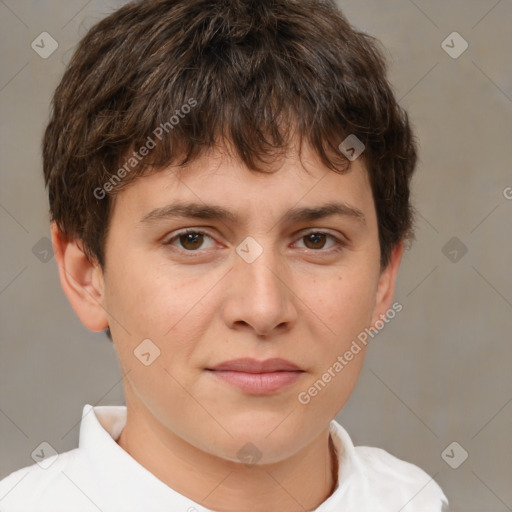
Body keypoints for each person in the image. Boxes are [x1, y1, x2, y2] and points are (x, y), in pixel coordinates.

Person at [0, 0, 449, 510]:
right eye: (191, 239)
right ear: (87, 276)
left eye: (316, 240)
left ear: (383, 278)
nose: (262, 309)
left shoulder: (415, 500)